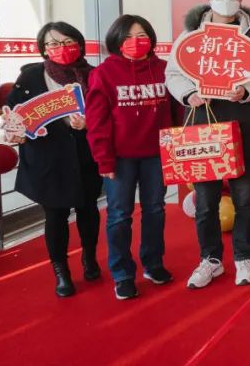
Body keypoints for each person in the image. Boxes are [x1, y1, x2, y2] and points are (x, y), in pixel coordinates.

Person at [165, 0, 250, 289]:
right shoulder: (190, 36)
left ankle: (243, 256)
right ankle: (210, 259)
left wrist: (247, 90)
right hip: (204, 119)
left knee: (244, 195)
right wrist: (189, 94)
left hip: (243, 120)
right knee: (206, 199)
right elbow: (173, 73)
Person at [1, 22, 101, 297]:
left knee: (88, 209)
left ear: (79, 45)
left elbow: (106, 112)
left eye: (68, 42)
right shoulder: (30, 76)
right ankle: (61, 271)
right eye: (54, 43)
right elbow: (14, 111)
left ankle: (89, 257)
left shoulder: (93, 74)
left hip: (85, 155)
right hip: (47, 158)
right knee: (55, 214)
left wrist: (89, 123)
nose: (61, 48)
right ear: (44, 48)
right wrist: (14, 130)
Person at [85, 15, 181, 300]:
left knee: (155, 210)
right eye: (128, 37)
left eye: (141, 36)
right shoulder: (103, 73)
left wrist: (177, 147)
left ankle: (153, 263)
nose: (135, 42)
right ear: (116, 41)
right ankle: (123, 274)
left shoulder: (164, 69)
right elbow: (97, 121)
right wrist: (103, 158)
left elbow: (177, 111)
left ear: (151, 39)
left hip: (157, 155)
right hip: (120, 159)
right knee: (119, 216)